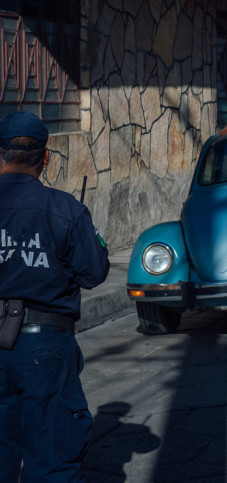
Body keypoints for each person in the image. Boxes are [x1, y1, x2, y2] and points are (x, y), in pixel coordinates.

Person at [0, 111, 110, 482]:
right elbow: (94, 272)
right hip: (44, 347)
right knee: (51, 457)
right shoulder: (66, 210)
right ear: (45, 158)